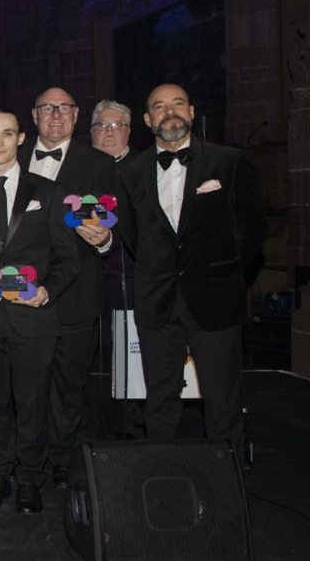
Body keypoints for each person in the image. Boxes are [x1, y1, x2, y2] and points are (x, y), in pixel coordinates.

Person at [113, 84, 266, 463]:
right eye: (159, 106)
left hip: (217, 301)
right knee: (159, 402)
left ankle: (225, 480)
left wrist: (222, 273)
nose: (170, 112)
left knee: (223, 401)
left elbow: (251, 229)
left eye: (178, 103)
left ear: (192, 112)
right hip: (156, 302)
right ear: (147, 119)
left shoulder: (229, 161)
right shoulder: (129, 173)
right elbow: (132, 235)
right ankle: (163, 476)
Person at [0, 109, 79, 515]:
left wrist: (45, 292)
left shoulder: (49, 191)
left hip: (34, 319)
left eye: (7, 134)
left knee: (32, 404)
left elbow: (67, 259)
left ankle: (29, 479)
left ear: (21, 138)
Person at [16, 88, 115, 489]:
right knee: (26, 385)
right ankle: (27, 458)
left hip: (77, 293)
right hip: (22, 292)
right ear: (34, 115)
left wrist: (105, 240)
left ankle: (60, 457)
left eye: (64, 108)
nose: (55, 115)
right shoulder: (12, 156)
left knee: (70, 385)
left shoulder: (100, 163)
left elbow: (115, 222)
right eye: (47, 108)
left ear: (76, 116)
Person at [90, 99, 143, 439]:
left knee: (125, 356)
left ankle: (127, 430)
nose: (108, 132)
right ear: (91, 131)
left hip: (128, 276)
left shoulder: (144, 167)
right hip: (82, 277)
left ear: (128, 131)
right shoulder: (79, 166)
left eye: (116, 126)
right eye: (101, 126)